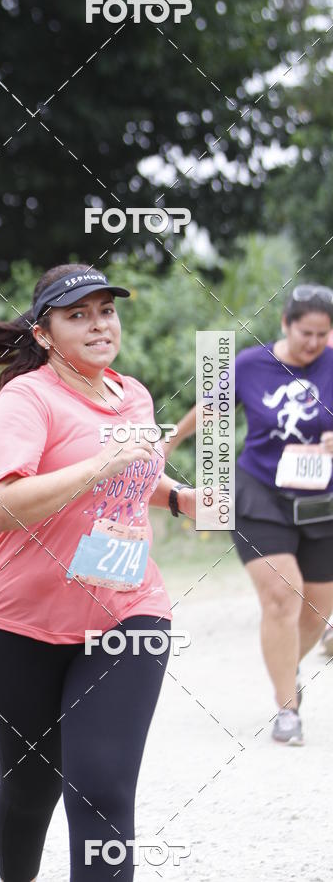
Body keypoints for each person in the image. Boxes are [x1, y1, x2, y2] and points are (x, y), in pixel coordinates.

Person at [0, 264, 197, 882]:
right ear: (46, 334)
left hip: (127, 611)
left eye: (106, 311)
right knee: (31, 783)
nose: (99, 325)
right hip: (14, 625)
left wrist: (180, 497)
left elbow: (132, 476)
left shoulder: (132, 395)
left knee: (102, 789)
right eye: (78, 315)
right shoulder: (29, 399)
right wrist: (100, 464)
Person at [168, 284, 333, 744]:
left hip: (323, 499)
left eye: (323, 334)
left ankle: (288, 666)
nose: (314, 343)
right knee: (283, 596)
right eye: (306, 333)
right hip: (258, 491)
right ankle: (287, 709)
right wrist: (171, 439)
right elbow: (211, 409)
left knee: (317, 612)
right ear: (285, 323)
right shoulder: (250, 363)